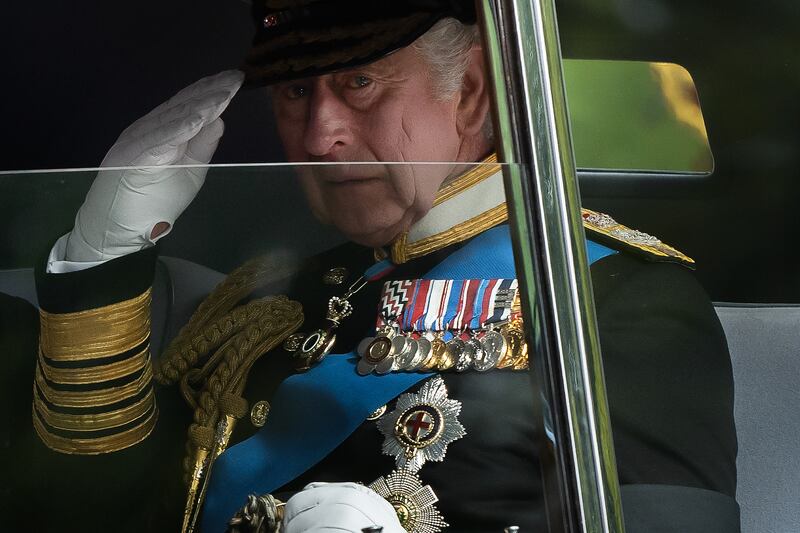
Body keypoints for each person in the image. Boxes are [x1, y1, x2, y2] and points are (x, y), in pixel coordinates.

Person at [1, 1, 739, 532]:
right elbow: (87, 509)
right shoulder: (271, 299)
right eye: (296, 91)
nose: (320, 135)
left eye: (359, 82)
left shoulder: (610, 296)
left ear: (473, 91)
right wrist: (103, 257)